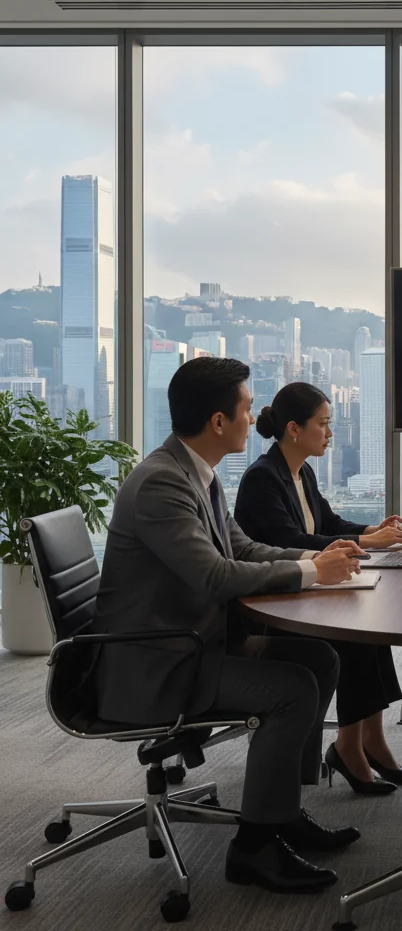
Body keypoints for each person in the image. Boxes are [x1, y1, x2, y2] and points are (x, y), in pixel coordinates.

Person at [93, 357, 367, 895]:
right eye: (246, 408)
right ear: (218, 421)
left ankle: (281, 811)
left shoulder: (198, 472)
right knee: (290, 689)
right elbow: (216, 576)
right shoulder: (161, 485)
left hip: (191, 643)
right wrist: (312, 570)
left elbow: (240, 547)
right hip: (156, 662)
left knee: (318, 659)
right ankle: (254, 848)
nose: (254, 416)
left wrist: (318, 560)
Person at [234, 382, 402, 795]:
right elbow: (287, 542)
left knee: (370, 620)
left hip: (304, 592)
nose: (330, 433)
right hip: (274, 603)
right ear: (294, 429)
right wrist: (365, 545)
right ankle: (349, 746)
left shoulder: (300, 472)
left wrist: (372, 530)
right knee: (354, 632)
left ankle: (370, 738)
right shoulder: (262, 479)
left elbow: (329, 524)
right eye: (323, 424)